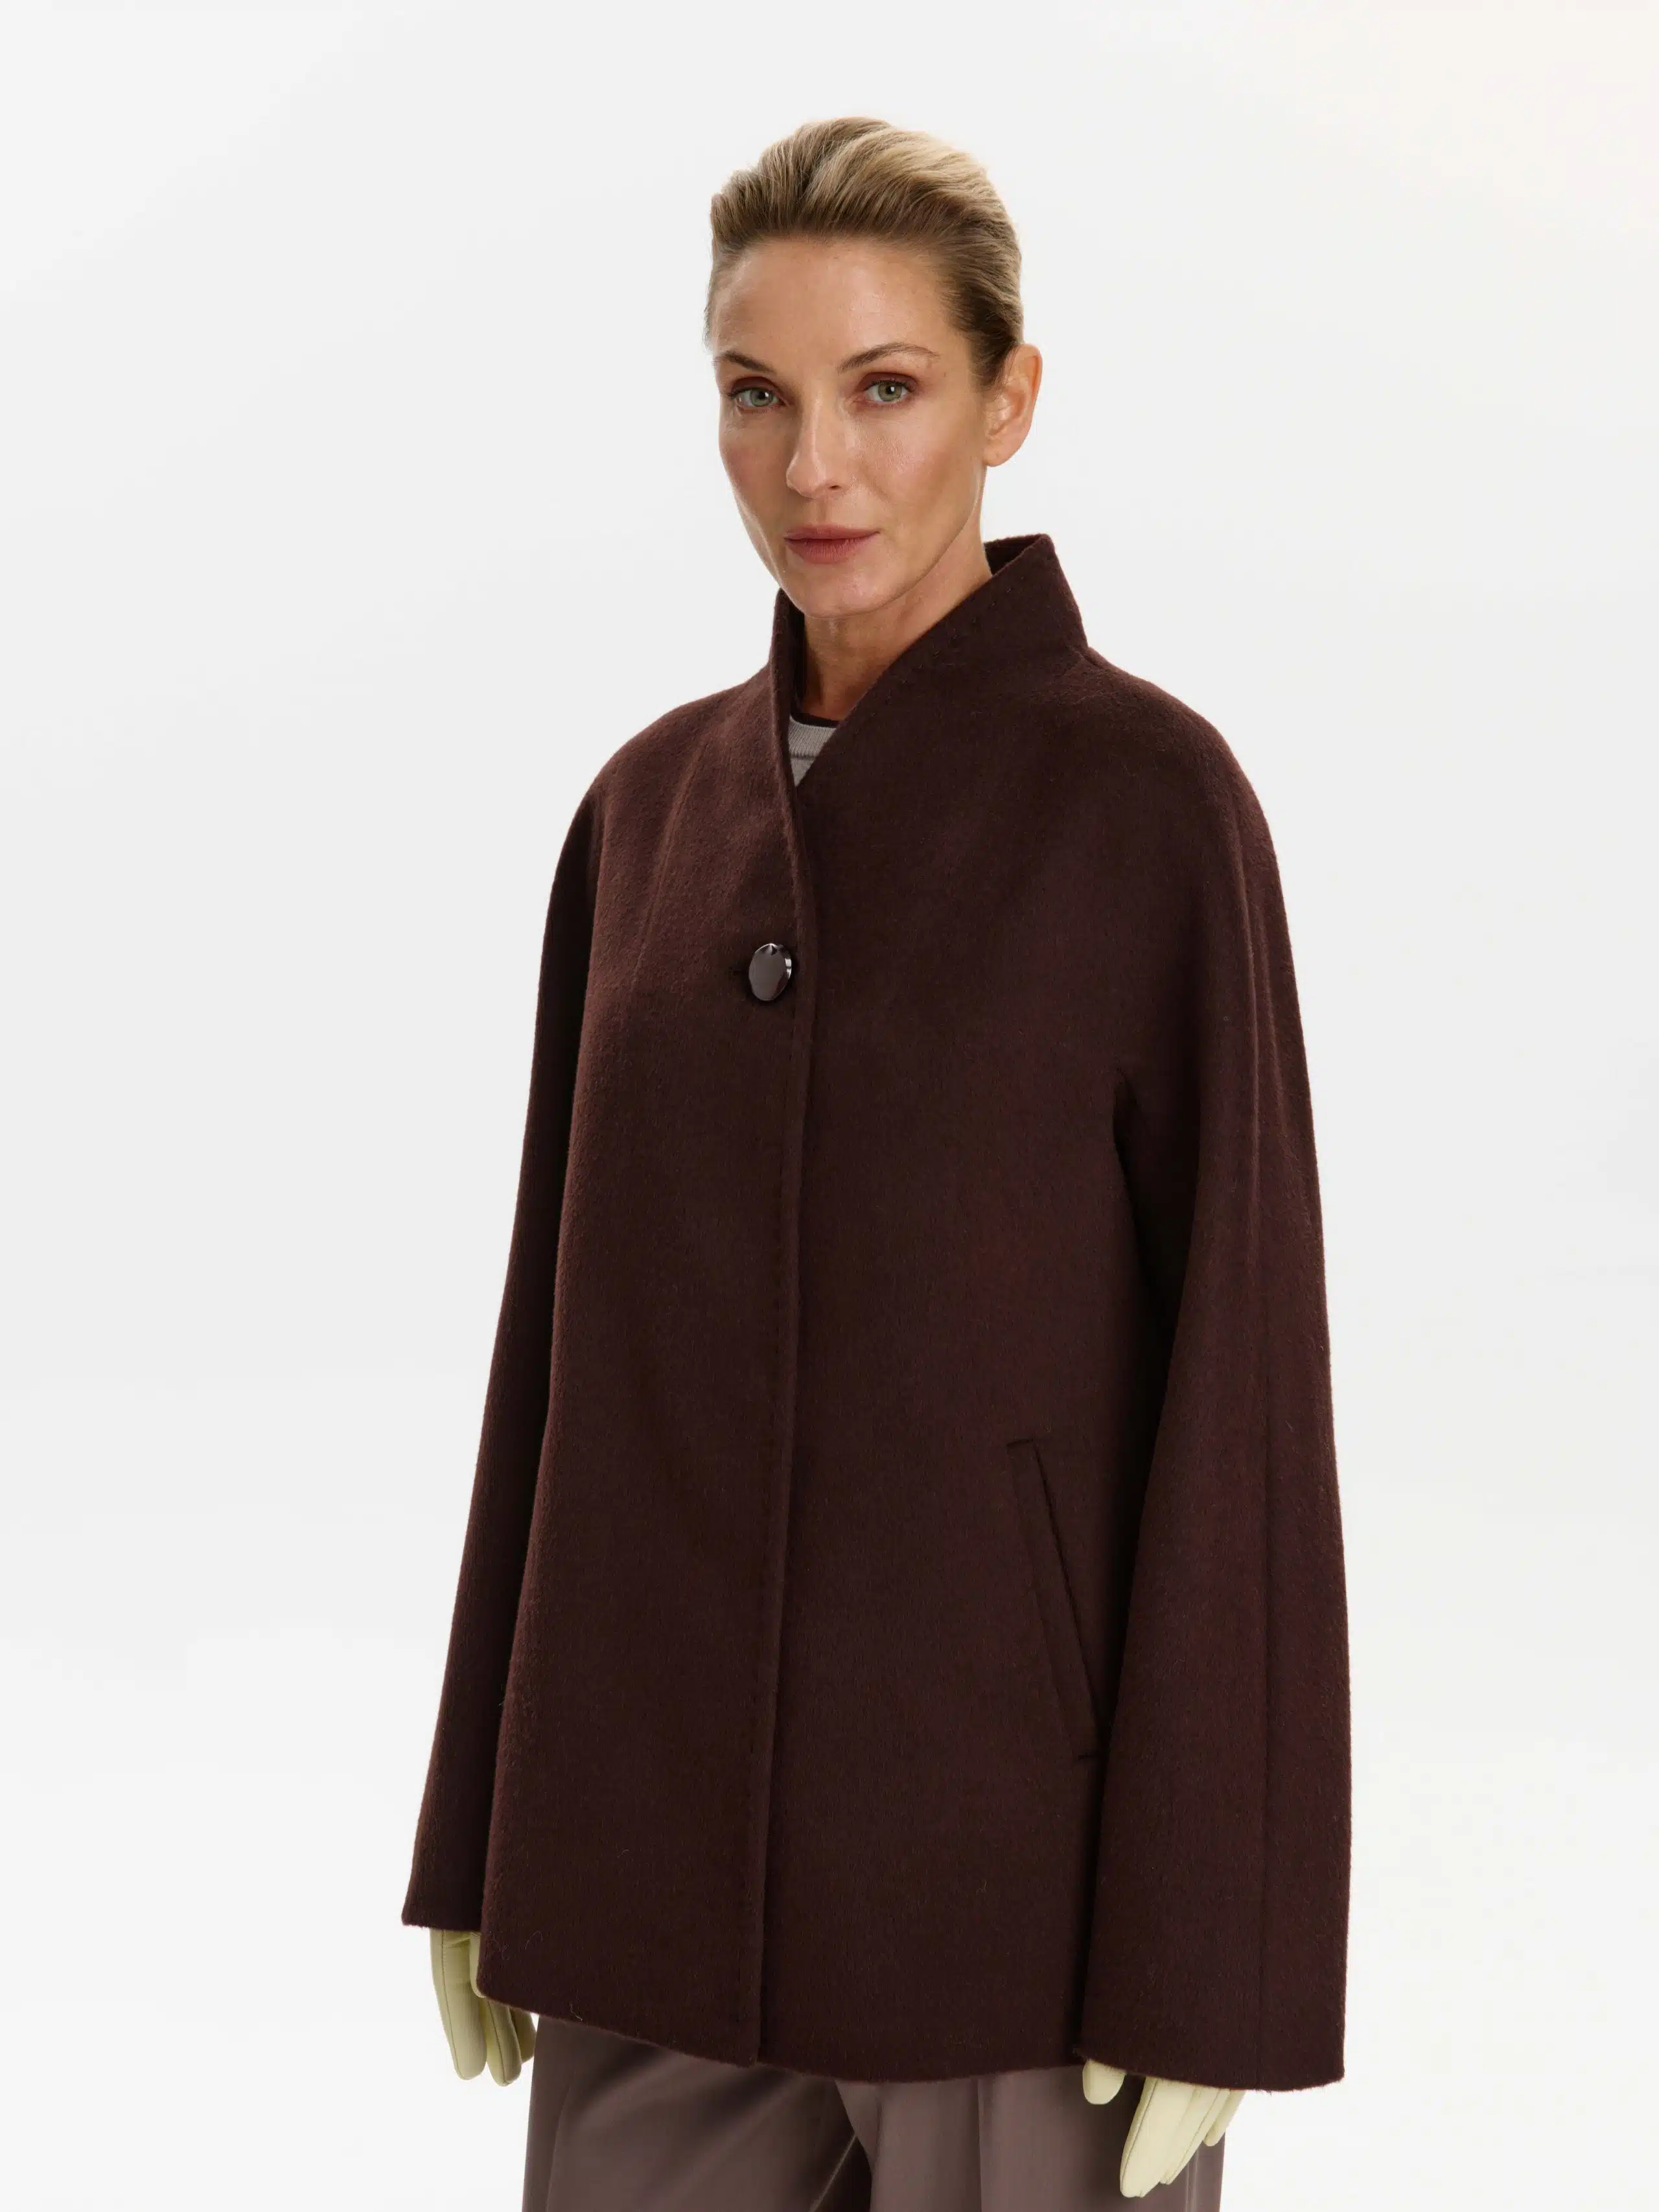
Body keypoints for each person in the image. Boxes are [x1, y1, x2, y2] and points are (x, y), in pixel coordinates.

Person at [400, 116, 1352, 2212]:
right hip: (641, 1884)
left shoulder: (1152, 810)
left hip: (1007, 1912)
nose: (813, 464)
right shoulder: (647, 816)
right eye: (757, 393)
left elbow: (1245, 1411)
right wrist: (484, 1833)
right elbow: (551, 1368)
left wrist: (1223, 1953)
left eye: (885, 387)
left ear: (1010, 400)